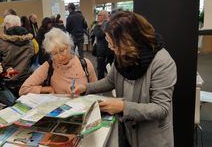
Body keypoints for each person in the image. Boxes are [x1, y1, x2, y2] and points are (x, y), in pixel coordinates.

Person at [72, 11, 177, 147]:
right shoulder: (123, 53)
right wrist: (86, 88)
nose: (111, 48)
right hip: (127, 131)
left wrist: (123, 107)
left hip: (151, 138)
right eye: (109, 43)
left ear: (129, 40)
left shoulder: (162, 62)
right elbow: (110, 81)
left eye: (113, 44)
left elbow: (161, 108)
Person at [19, 28, 97, 96]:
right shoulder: (49, 66)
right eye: (55, 53)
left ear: (69, 46)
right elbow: (23, 89)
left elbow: (97, 90)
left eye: (62, 50)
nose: (60, 57)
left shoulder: (85, 64)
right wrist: (47, 89)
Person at [0, 15, 35, 97]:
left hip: (6, 82)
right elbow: (32, 60)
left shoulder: (0, 42)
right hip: (25, 80)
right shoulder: (30, 42)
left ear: (7, 26)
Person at [91, 10, 114, 79]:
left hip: (110, 51)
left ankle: (110, 83)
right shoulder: (97, 25)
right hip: (101, 51)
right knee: (100, 70)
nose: (97, 17)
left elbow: (100, 34)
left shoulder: (110, 24)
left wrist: (101, 26)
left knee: (109, 69)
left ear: (104, 16)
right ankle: (101, 86)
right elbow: (98, 34)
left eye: (99, 15)